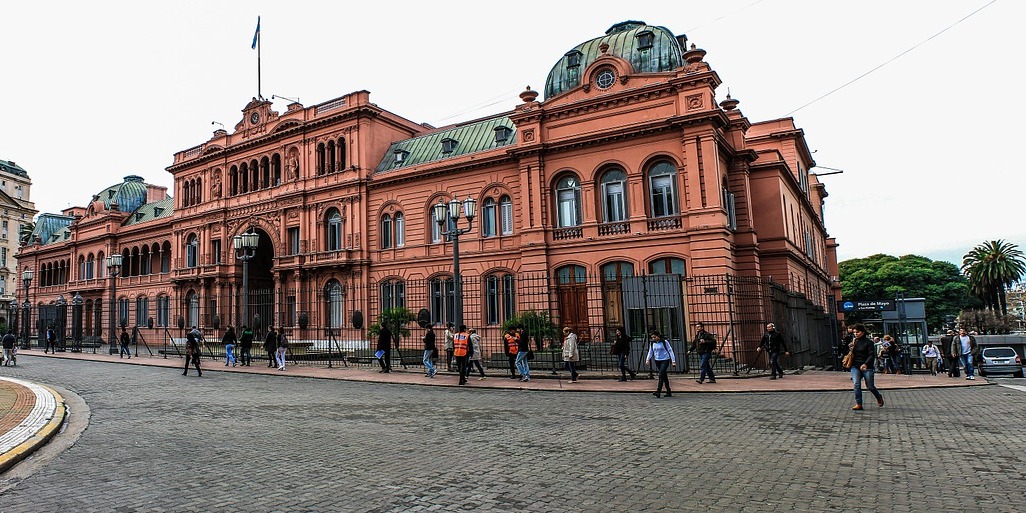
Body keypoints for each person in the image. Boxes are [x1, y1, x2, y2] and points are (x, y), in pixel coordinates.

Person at [845, 323, 883, 410]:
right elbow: (848, 353)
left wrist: (865, 364)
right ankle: (859, 403)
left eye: (857, 332)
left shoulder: (869, 342)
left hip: (867, 366)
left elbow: (871, 355)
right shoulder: (854, 341)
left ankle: (878, 396)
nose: (855, 334)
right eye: (854, 332)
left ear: (862, 332)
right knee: (856, 384)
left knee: (870, 386)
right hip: (855, 366)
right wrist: (850, 348)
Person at [646, 330, 676, 398]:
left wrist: (673, 361)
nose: (653, 339)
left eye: (654, 337)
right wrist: (648, 359)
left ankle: (658, 391)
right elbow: (650, 352)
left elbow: (670, 350)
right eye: (652, 337)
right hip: (657, 360)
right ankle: (668, 391)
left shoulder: (664, 342)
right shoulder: (652, 343)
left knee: (661, 374)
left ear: (658, 336)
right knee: (664, 376)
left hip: (665, 360)